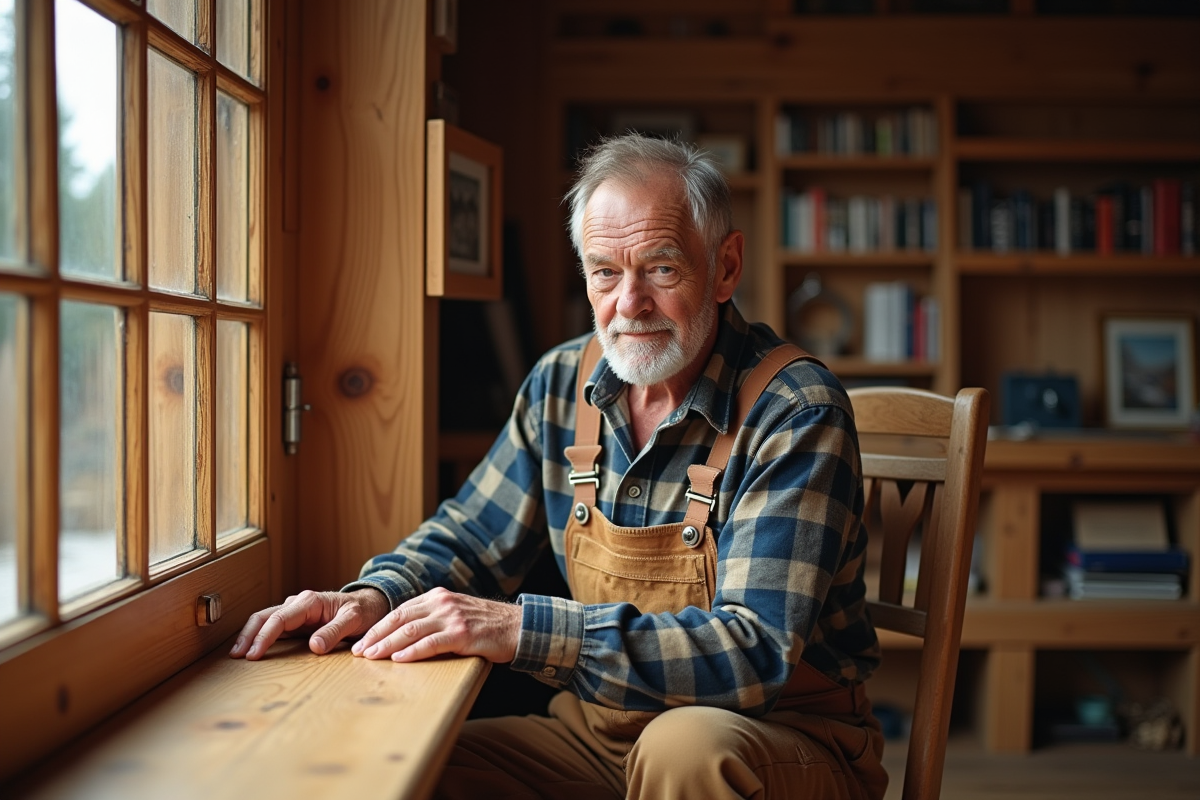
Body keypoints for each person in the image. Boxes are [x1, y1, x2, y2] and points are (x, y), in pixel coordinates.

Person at [231, 133, 888, 800]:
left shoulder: (796, 410)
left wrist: (520, 630)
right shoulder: (559, 384)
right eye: (605, 271)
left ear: (725, 267)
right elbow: (468, 539)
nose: (629, 304)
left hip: (777, 739)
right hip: (599, 736)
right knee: (406, 763)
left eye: (660, 269)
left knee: (685, 750)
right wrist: (375, 596)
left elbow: (753, 652)